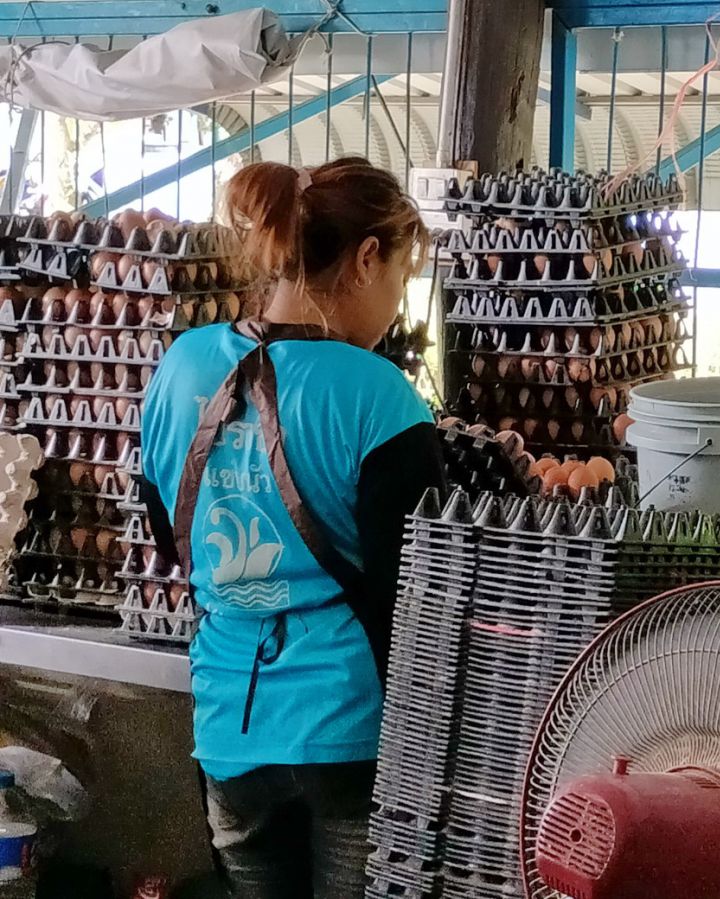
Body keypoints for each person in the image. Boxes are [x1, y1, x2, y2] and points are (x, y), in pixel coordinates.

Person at [138, 158, 446, 899]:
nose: (396, 305)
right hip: (348, 725)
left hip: (228, 723)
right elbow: (410, 592)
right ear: (366, 259)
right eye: (401, 277)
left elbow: (166, 535)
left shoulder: (182, 365)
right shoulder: (380, 397)